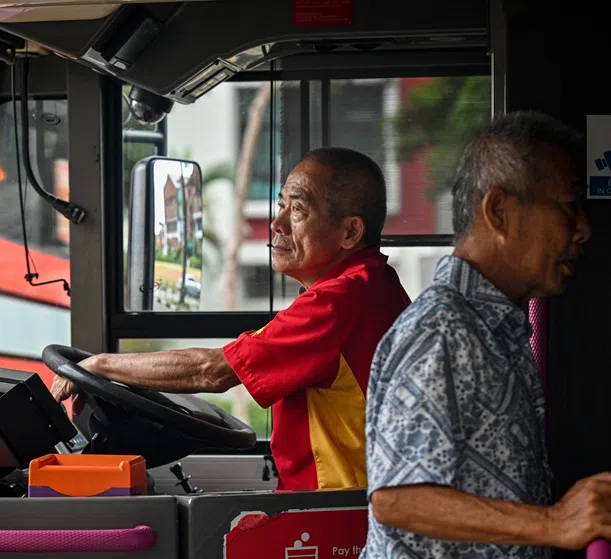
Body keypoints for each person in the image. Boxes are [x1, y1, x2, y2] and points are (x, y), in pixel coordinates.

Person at [340, 111, 611, 559]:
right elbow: (397, 499)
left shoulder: (496, 330)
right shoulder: (441, 332)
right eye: (569, 206)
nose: (583, 229)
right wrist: (555, 523)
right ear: (500, 211)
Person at [52, 148, 411, 491]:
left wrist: (99, 365)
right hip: (352, 506)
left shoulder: (338, 303)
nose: (277, 223)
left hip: (335, 515)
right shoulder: (374, 284)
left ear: (350, 232)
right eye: (281, 204)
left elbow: (214, 370)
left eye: (298, 210)